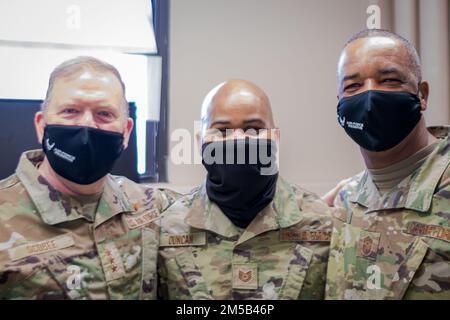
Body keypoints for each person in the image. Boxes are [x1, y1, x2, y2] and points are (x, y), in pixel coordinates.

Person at [0, 56, 177, 299]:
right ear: (42, 126)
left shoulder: (152, 206)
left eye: (104, 114)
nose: (86, 125)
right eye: (70, 111)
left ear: (126, 132)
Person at [157, 79, 334, 300]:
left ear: (275, 138)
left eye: (254, 129)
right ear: (199, 141)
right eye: (222, 131)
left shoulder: (323, 225)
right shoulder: (167, 228)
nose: (239, 140)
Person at [326, 29, 450, 299]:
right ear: (339, 104)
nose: (370, 97)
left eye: (389, 80)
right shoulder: (341, 202)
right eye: (353, 86)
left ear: (422, 94)